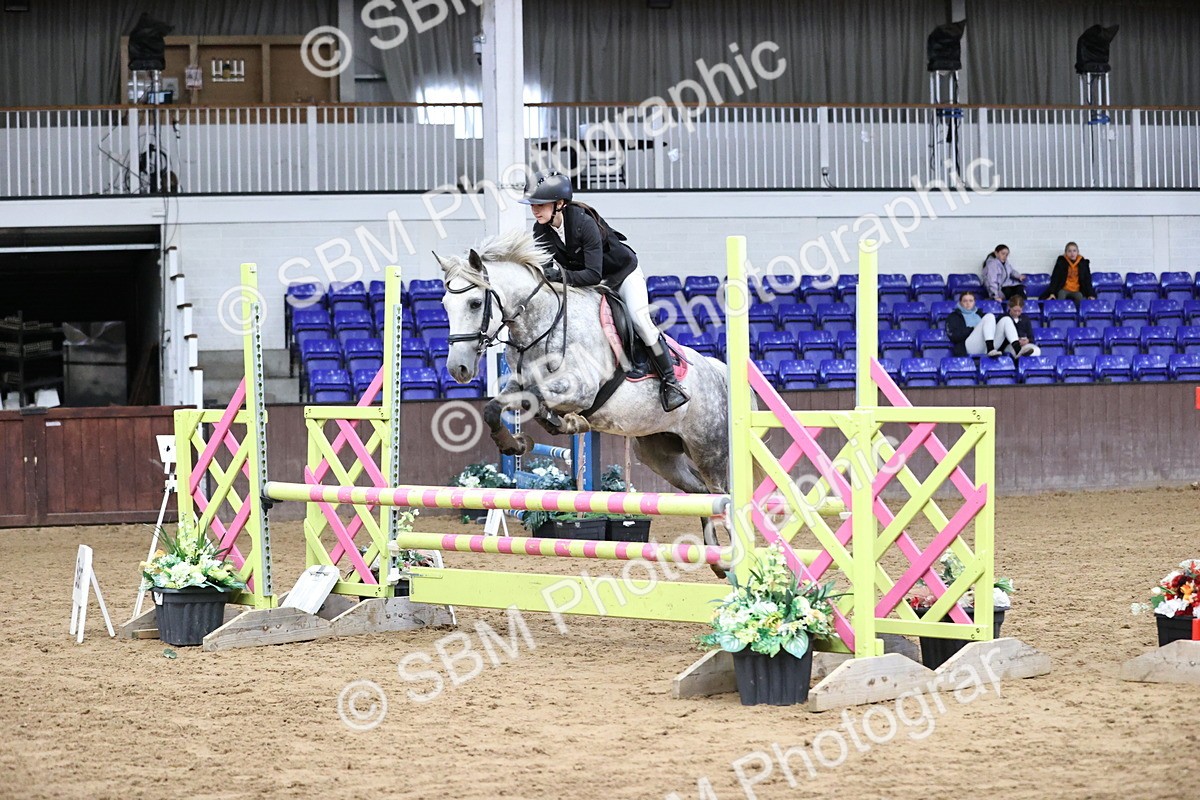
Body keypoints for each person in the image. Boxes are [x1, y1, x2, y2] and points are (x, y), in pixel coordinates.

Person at [517, 171, 688, 412]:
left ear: (559, 204)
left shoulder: (583, 223)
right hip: (590, 284)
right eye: (532, 205)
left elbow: (593, 275)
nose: (535, 210)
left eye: (540, 204)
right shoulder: (540, 231)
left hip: (621, 274)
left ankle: (671, 383)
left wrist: (561, 276)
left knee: (640, 321)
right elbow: (548, 270)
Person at [946, 290, 1004, 357]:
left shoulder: (980, 314)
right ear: (960, 302)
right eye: (965, 301)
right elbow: (954, 336)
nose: (968, 303)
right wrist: (972, 329)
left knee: (1005, 320)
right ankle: (990, 348)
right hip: (968, 346)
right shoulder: (954, 316)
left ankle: (1016, 348)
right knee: (989, 316)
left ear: (974, 302)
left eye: (971, 301)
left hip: (984, 346)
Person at [1042, 241, 1096, 308]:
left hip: (1077, 290)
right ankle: (1059, 314)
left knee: (1081, 300)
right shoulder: (1061, 263)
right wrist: (1052, 293)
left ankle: (1077, 317)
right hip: (1064, 289)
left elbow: (1087, 280)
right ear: (1066, 253)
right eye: (1069, 251)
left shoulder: (1083, 264)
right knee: (1060, 296)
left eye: (1074, 251)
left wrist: (1090, 294)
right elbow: (1055, 279)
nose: (1072, 253)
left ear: (1078, 252)